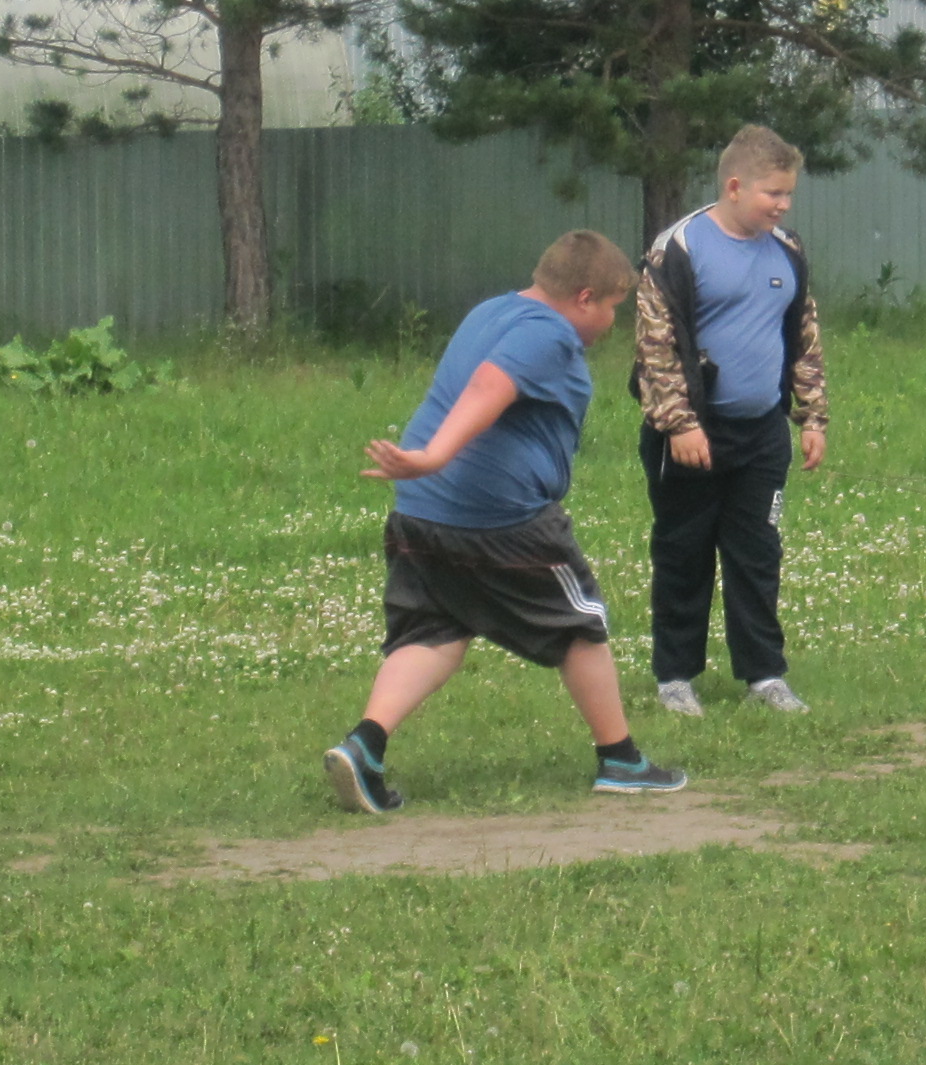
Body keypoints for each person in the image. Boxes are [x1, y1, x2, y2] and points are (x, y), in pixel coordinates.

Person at [323, 230, 688, 814]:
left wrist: (427, 467)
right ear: (584, 298)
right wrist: (435, 456)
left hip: (422, 509)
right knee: (579, 624)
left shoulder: (492, 311)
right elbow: (488, 386)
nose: (612, 323)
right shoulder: (548, 333)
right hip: (496, 515)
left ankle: (364, 748)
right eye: (613, 307)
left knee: (434, 631)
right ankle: (621, 760)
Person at [632, 124, 829, 717]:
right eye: (774, 193)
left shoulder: (787, 249)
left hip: (762, 433)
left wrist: (811, 416)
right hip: (692, 433)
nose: (783, 205)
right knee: (683, 553)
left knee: (757, 553)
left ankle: (765, 675)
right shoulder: (678, 249)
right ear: (736, 186)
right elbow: (655, 347)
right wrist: (680, 424)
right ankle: (675, 677)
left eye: (789, 194)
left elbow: (803, 335)